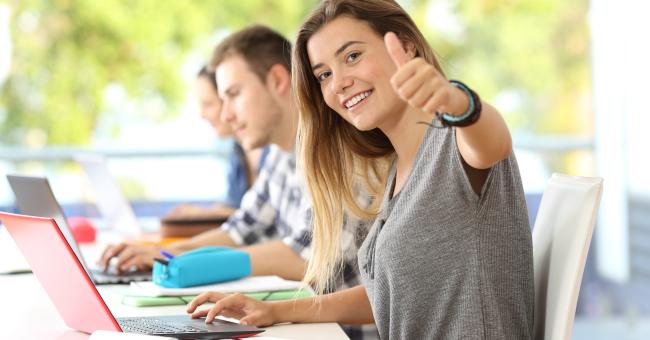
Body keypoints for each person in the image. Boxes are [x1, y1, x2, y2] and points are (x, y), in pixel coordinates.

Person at [185, 1, 534, 339]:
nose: (338, 83)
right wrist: (275, 311)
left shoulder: (453, 142)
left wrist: (456, 100)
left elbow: (494, 141)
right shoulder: (396, 171)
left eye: (352, 56)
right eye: (324, 74)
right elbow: (385, 295)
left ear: (406, 46)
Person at [99, 25, 378, 340]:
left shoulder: (341, 154)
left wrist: (188, 263)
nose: (226, 114)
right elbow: (241, 229)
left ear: (277, 80)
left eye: (233, 95)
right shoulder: (279, 154)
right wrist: (169, 254)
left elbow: (308, 259)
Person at [163, 66, 266, 223]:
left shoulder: (277, 149)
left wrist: (202, 214)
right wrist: (202, 213)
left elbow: (265, 217)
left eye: (208, 104)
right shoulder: (237, 151)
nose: (202, 114)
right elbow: (236, 209)